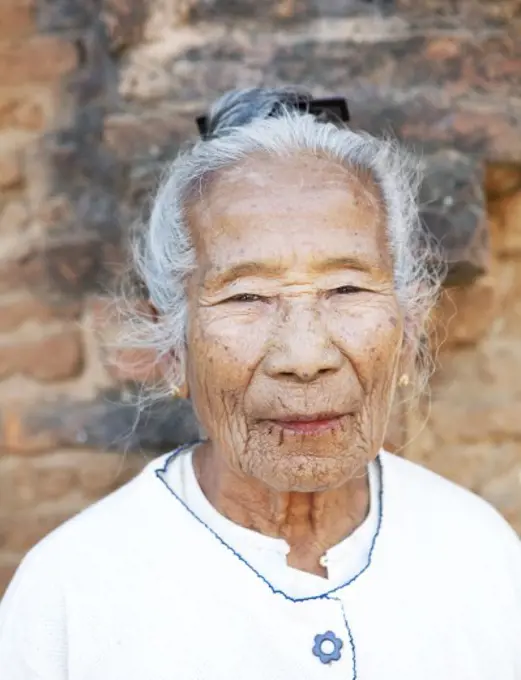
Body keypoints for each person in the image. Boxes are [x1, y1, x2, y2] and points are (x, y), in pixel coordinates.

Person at [0, 87, 520, 680]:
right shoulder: (70, 598)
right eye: (247, 297)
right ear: (172, 347)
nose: (304, 356)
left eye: (347, 289)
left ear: (408, 322)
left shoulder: (481, 554)